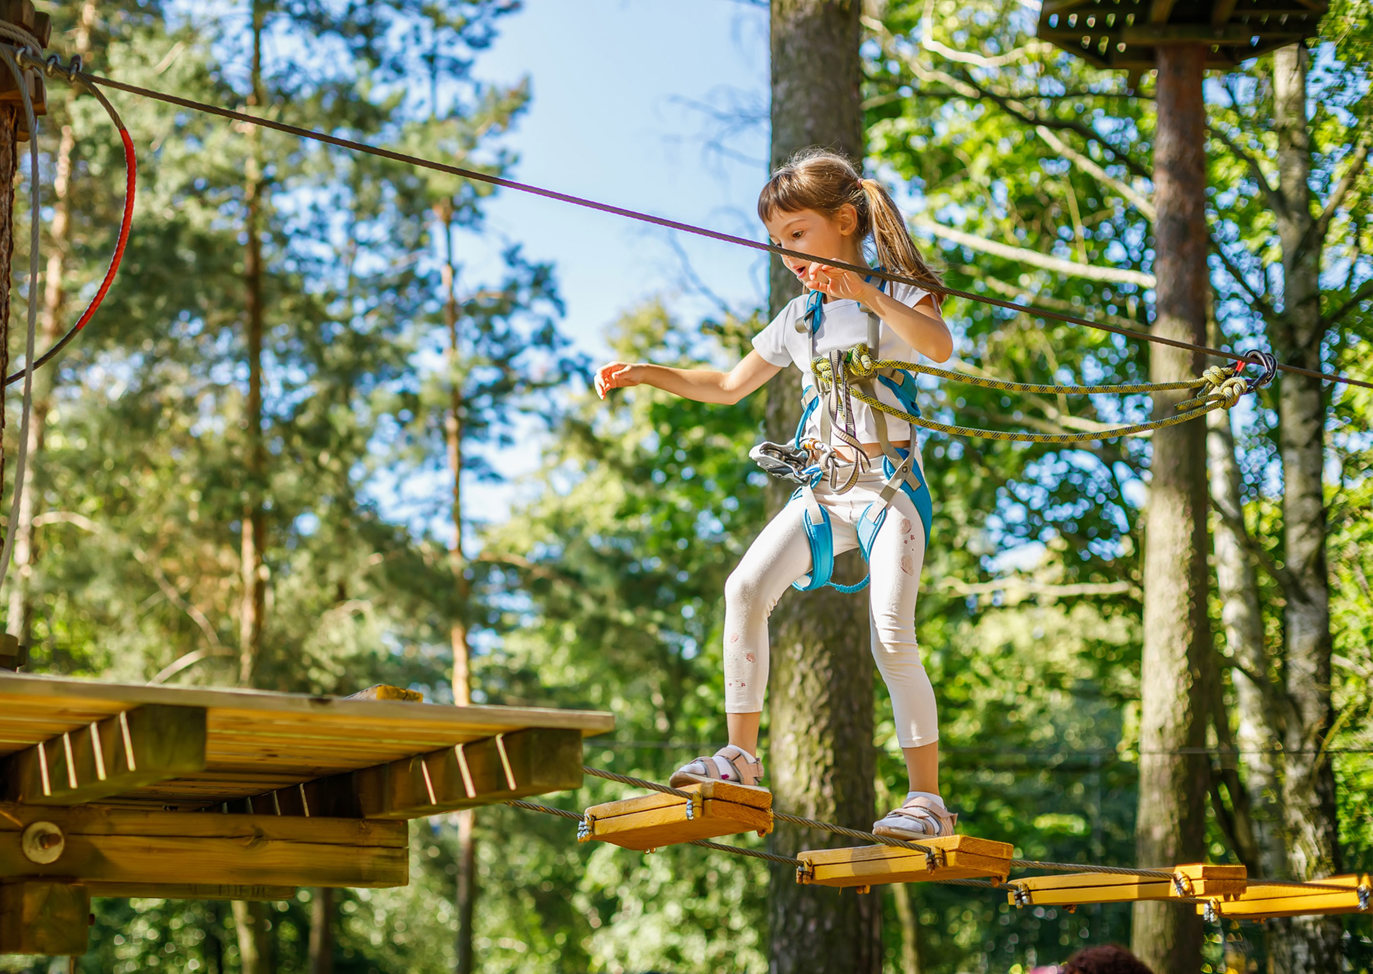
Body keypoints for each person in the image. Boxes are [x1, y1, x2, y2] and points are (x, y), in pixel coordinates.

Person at [593, 148, 955, 839]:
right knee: (744, 589)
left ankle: (925, 800)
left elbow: (936, 346)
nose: (786, 253)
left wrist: (869, 295)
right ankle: (739, 757)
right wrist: (648, 374)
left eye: (797, 235)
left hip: (886, 492)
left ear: (845, 222)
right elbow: (727, 385)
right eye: (776, 243)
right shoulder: (800, 319)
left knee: (890, 637)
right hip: (824, 493)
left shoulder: (899, 292)